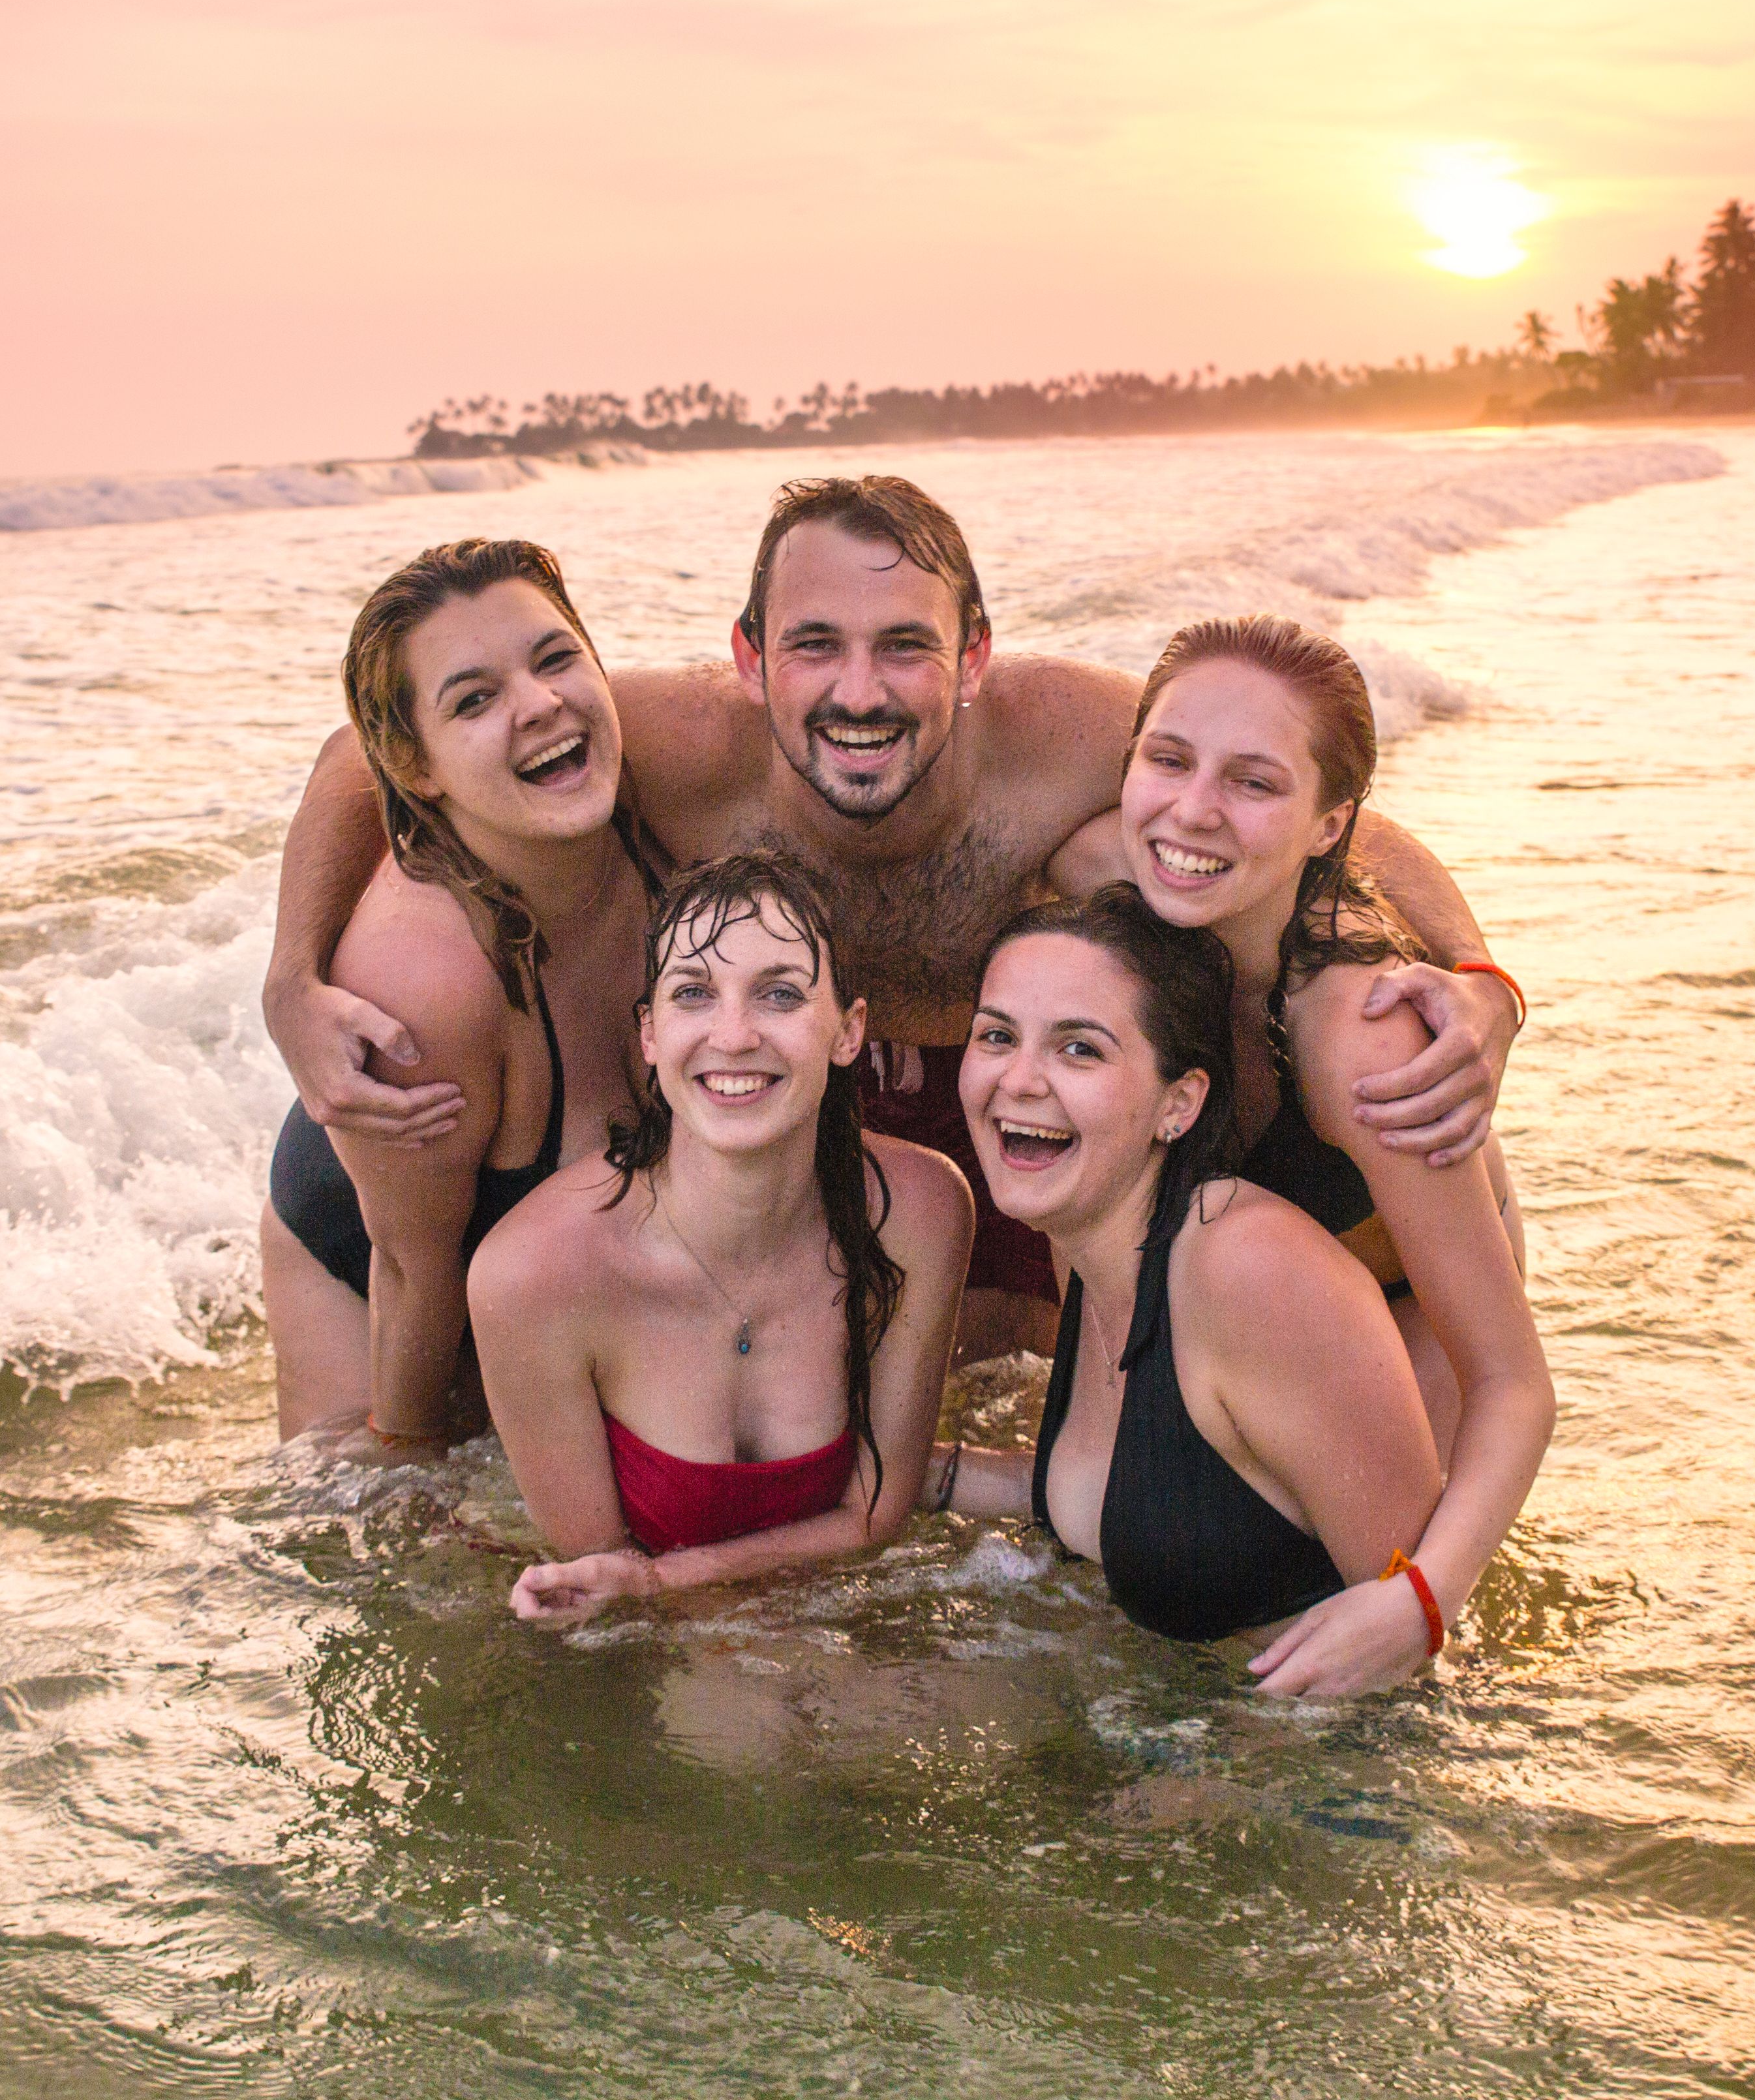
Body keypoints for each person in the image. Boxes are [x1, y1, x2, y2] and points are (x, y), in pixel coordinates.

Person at [264, 476, 1532, 1357]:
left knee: (1125, 866)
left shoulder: (1071, 737)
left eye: (906, 648)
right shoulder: (673, 741)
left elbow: (1350, 841)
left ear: (975, 658)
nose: (859, 692)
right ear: (751, 660)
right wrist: (291, 980)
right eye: (815, 646)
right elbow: (360, 753)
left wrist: (1480, 979)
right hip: (815, 1103)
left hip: (1010, 1099)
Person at [1051, 614, 1557, 1695]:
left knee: (1369, 1646)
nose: (1191, 812)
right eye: (1169, 760)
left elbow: (1515, 1381)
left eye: (1254, 783)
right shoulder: (1096, 876)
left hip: (1401, 1283)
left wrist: (1427, 1600)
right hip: (1242, 1278)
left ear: (1331, 824)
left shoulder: (1355, 1036)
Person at [939, 890, 1443, 1690]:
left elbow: (1421, 1647)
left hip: (1326, 1787)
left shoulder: (1249, 1269)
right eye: (998, 1036)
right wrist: (918, 1476)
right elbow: (1159, 1491)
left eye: (1080, 1051)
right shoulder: (1091, 1251)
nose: (1020, 1080)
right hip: (1199, 1748)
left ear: (1178, 1104)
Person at [472, 851, 971, 1616]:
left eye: (778, 995)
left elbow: (874, 1514)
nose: (733, 1037)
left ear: (848, 1031)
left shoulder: (919, 1213)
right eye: (694, 995)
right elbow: (605, 1587)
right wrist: (653, 1589)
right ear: (649, 1033)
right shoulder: (533, 1276)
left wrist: (666, 1578)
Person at [257, 538, 660, 1448]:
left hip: (526, 1259)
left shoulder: (663, 784)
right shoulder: (421, 986)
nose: (540, 704)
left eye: (556, 658)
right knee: (358, 1506)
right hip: (370, 1251)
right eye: (474, 700)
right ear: (417, 767)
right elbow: (410, 1268)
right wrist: (405, 1457)